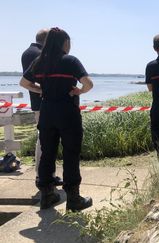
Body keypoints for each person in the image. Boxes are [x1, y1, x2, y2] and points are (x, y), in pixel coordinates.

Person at [20, 27, 93, 211]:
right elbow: (88, 84)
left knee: (47, 153)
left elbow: (24, 83)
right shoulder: (70, 60)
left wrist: (41, 90)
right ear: (64, 43)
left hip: (47, 112)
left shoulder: (39, 61)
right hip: (67, 112)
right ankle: (74, 199)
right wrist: (79, 91)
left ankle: (47, 196)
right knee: (71, 153)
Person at [21, 29, 63, 187]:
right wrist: (44, 89)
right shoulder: (39, 54)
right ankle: (43, 175)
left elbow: (28, 80)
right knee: (45, 140)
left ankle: (44, 174)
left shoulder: (27, 52)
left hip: (37, 102)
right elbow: (31, 81)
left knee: (43, 138)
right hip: (44, 102)